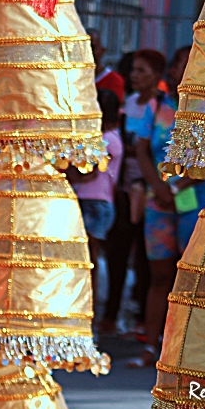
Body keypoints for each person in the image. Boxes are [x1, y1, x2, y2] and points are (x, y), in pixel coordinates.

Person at [127, 46, 205, 368]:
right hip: (159, 203)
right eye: (181, 64)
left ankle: (186, 350)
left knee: (191, 277)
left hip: (193, 201)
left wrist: (176, 186)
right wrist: (159, 187)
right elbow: (141, 149)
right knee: (158, 275)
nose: (185, 70)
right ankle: (151, 346)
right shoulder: (157, 106)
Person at [100, 49, 165, 336]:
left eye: (142, 70)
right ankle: (111, 315)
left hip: (151, 190)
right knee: (118, 249)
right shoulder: (127, 105)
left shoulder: (161, 107)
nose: (135, 76)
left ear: (156, 74)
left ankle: (141, 315)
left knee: (146, 256)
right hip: (124, 188)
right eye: (134, 70)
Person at [69, 89, 123, 319]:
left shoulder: (105, 140)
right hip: (98, 201)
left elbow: (88, 172)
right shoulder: (115, 138)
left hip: (93, 202)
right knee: (89, 259)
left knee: (86, 261)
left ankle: (87, 311)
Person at [87, 28, 125, 103]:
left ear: (102, 51)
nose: (87, 53)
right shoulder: (69, 78)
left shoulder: (114, 80)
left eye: (92, 47)